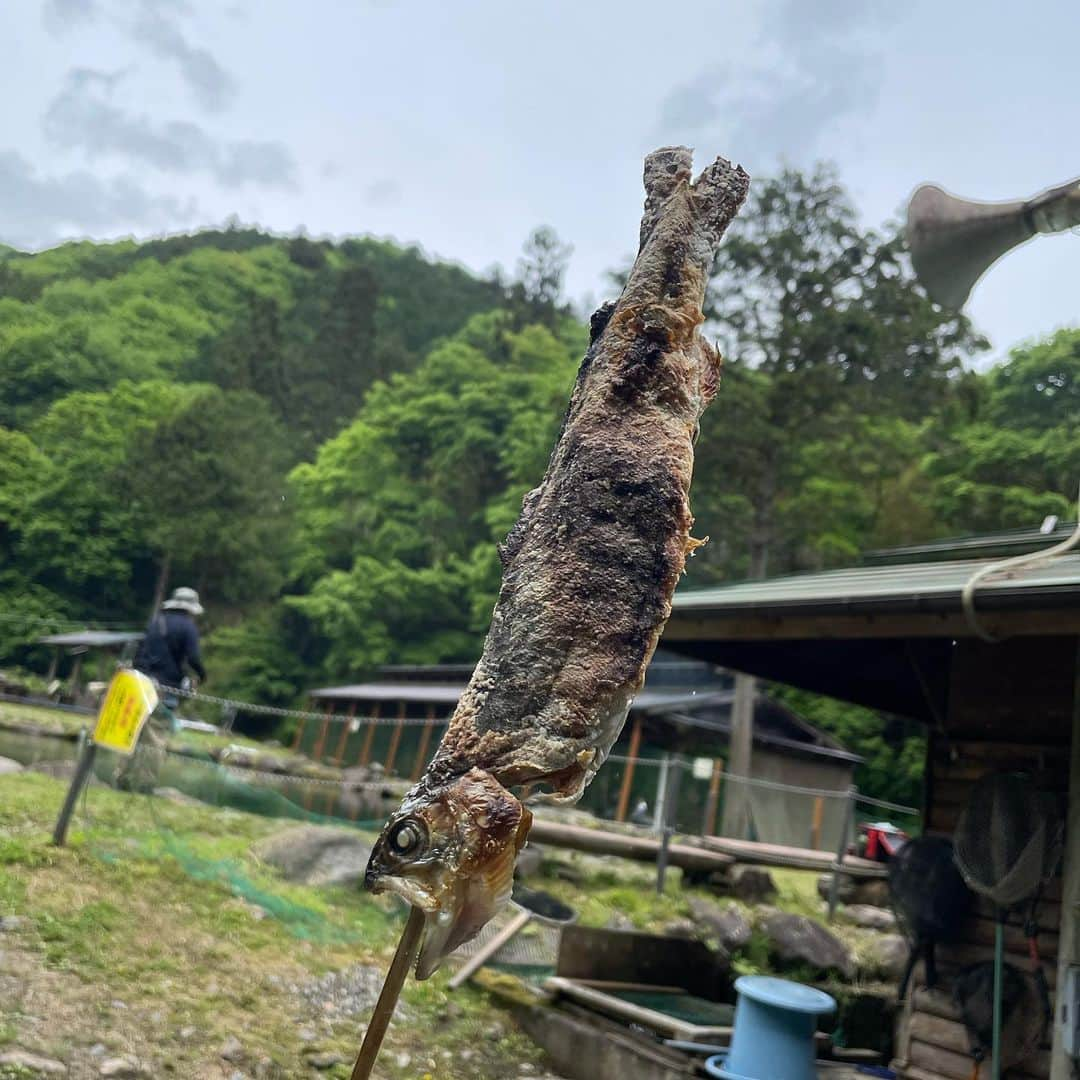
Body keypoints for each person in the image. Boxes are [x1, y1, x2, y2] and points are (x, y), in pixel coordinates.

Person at [118, 587, 207, 791]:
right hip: (164, 689)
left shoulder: (156, 621)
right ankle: (145, 784)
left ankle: (122, 778)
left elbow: (141, 650)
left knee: (136, 731)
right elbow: (193, 658)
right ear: (191, 609)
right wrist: (202, 675)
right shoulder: (188, 627)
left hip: (140, 684)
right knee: (156, 737)